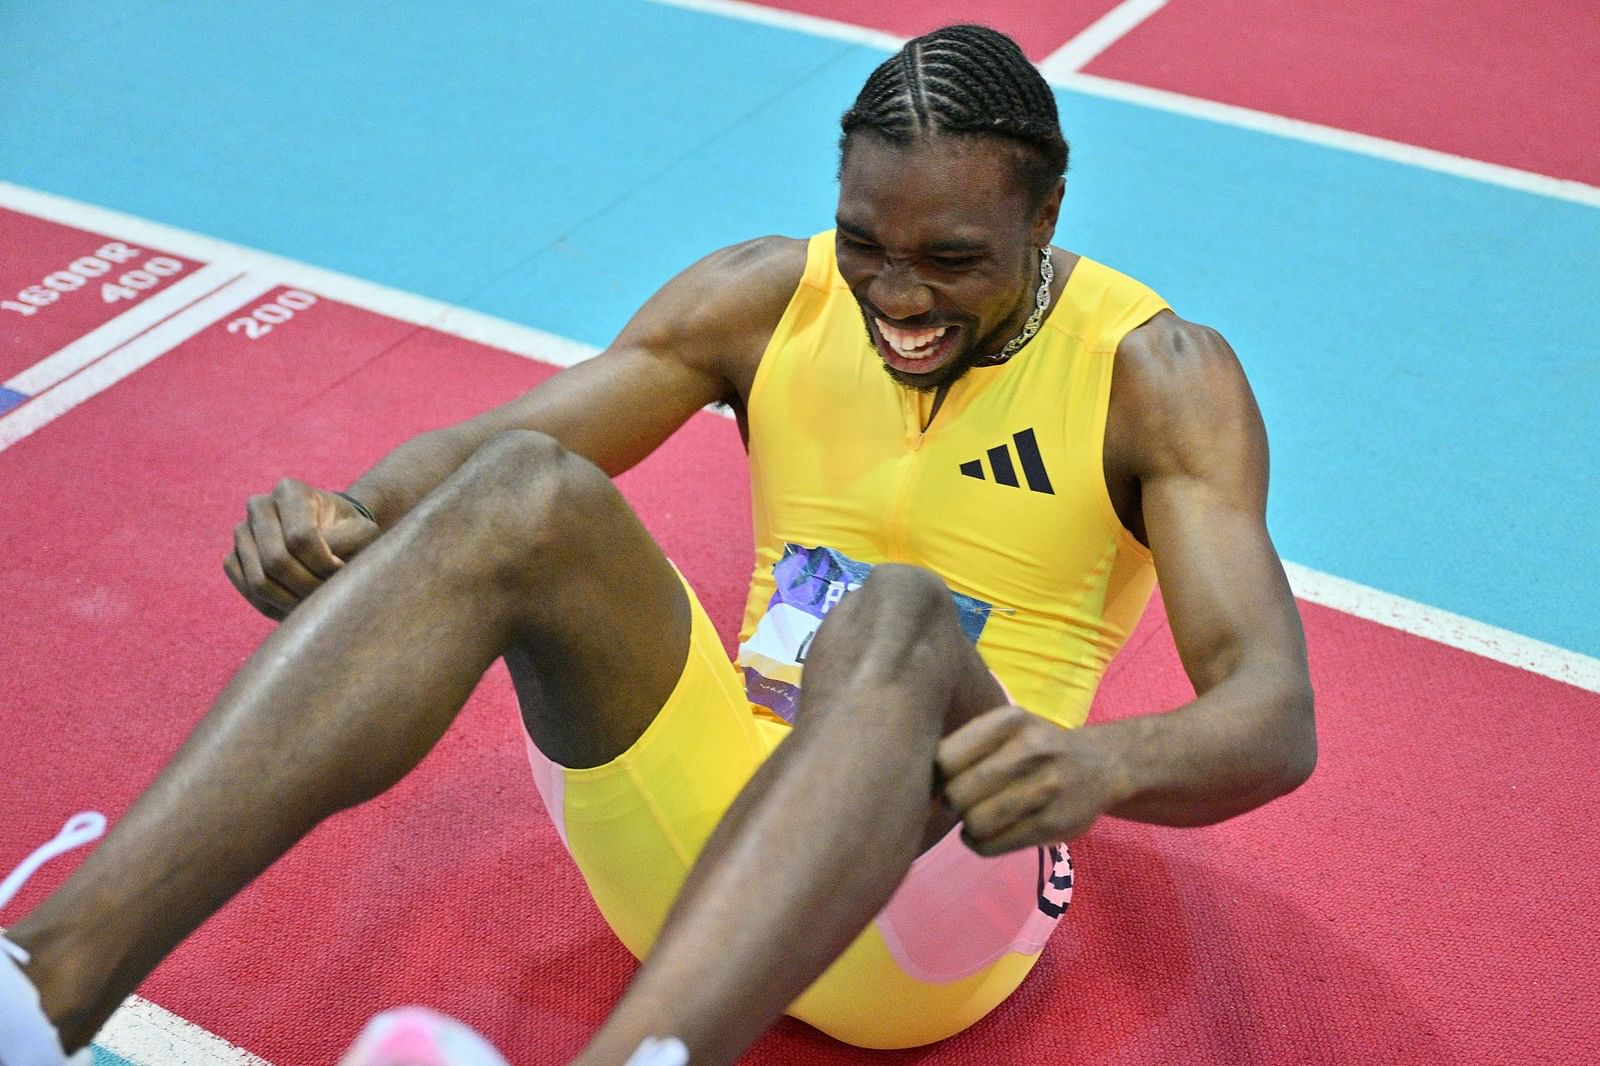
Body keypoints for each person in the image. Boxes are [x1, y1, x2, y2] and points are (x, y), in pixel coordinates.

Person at [0, 23, 1315, 1066]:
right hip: (699, 836)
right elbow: (499, 443)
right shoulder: (769, 296)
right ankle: (37, 985)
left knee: (897, 618)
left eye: (952, 260)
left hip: (942, 892)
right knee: (529, 488)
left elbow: (1270, 708)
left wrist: (1094, 758)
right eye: (866, 242)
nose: (899, 297)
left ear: (1048, 211)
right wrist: (345, 517)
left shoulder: (1157, 376)